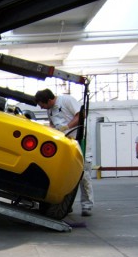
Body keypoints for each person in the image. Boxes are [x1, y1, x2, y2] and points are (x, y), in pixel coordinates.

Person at [35, 88, 94, 217]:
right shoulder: (50, 109)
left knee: (83, 175)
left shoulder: (66, 100)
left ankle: (87, 205)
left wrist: (67, 127)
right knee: (65, 176)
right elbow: (52, 123)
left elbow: (81, 115)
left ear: (50, 100)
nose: (42, 108)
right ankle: (66, 205)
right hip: (64, 144)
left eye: (43, 105)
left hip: (79, 141)